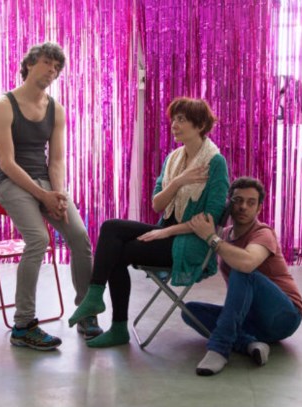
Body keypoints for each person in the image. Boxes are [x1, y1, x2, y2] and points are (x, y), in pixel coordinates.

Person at [68, 97, 229, 348]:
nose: (174, 124)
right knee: (110, 227)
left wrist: (167, 232)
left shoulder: (215, 163)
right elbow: (157, 205)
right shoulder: (174, 159)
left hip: (191, 243)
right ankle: (95, 297)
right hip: (167, 233)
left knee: (118, 252)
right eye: (173, 119)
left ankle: (115, 323)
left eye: (181, 120)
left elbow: (210, 219)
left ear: (199, 126)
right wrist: (179, 181)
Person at [0, 42, 102, 350]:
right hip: (11, 182)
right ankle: (23, 326)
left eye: (57, 67)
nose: (53, 70)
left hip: (45, 181)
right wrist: (42, 194)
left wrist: (58, 194)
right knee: (38, 239)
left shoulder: (56, 109)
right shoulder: (3, 105)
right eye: (48, 63)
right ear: (29, 64)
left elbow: (57, 160)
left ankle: (86, 312)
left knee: (80, 237)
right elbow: (7, 163)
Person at [185, 176, 302, 376]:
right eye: (238, 200)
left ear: (258, 208)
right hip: (252, 319)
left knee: (243, 271)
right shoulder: (225, 234)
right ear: (229, 204)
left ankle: (219, 349)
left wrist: (210, 237)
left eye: (251, 202)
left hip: (284, 316)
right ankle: (250, 344)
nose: (243, 207)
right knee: (189, 311)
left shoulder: (263, 233)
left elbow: (247, 263)